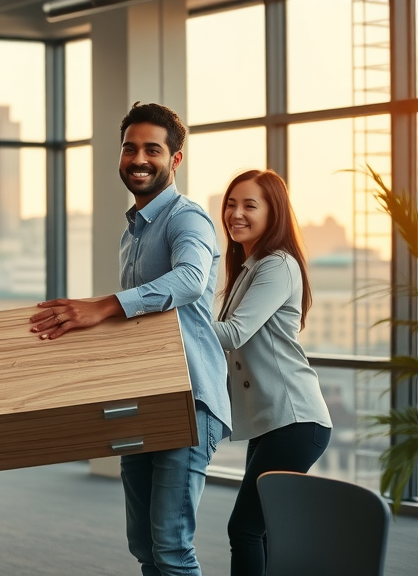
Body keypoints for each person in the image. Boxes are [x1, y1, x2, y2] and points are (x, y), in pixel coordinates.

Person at [29, 101, 232, 576]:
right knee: (144, 545)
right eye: (130, 148)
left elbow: (188, 279)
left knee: (172, 546)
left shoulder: (188, 219)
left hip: (189, 398)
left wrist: (102, 305)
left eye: (152, 150)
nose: (138, 159)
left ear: (175, 159)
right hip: (144, 396)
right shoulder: (134, 231)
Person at [211, 169, 332, 576]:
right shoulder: (248, 266)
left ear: (272, 211)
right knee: (261, 533)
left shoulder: (277, 265)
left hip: (295, 418)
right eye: (231, 204)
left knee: (244, 528)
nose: (236, 213)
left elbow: (232, 334)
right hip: (272, 420)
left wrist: (168, 320)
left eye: (249, 205)